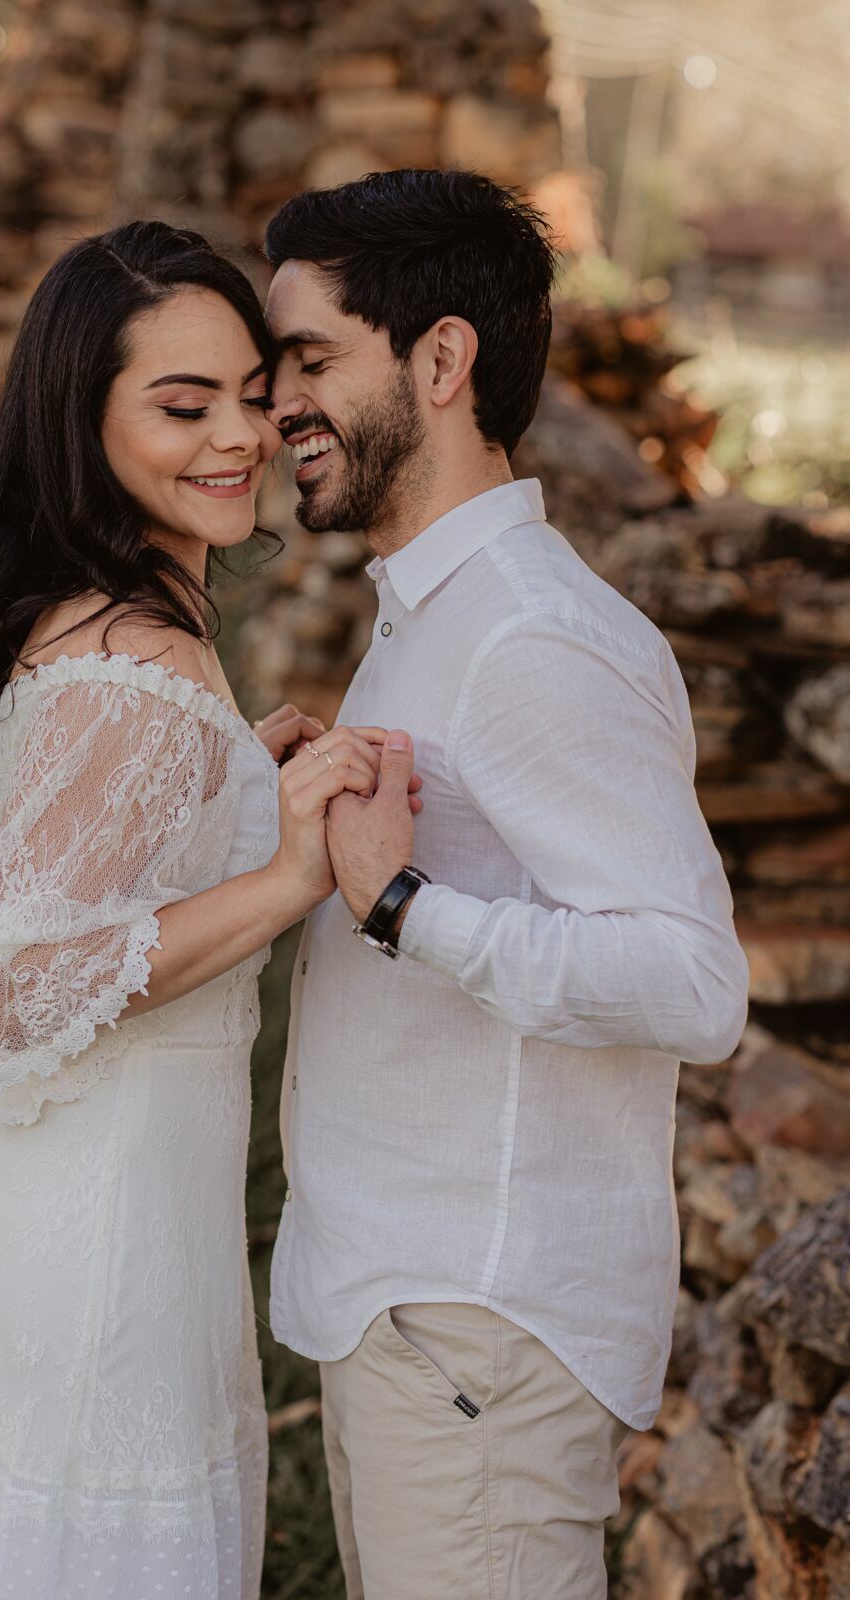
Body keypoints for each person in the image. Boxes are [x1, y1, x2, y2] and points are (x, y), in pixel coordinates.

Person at [0, 219, 420, 1600]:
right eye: (182, 404)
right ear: (83, 427)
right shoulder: (130, 656)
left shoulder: (133, 627)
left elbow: (90, 853)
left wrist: (232, 785)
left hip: (117, 1212)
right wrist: (283, 878)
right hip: (90, 1249)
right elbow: (10, 980)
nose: (238, 438)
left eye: (254, 396)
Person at [263, 169, 750, 1600]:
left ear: (442, 358)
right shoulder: (432, 610)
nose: (278, 401)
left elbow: (694, 980)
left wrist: (405, 908)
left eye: (311, 359)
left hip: (483, 1330)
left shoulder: (532, 637)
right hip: (409, 1317)